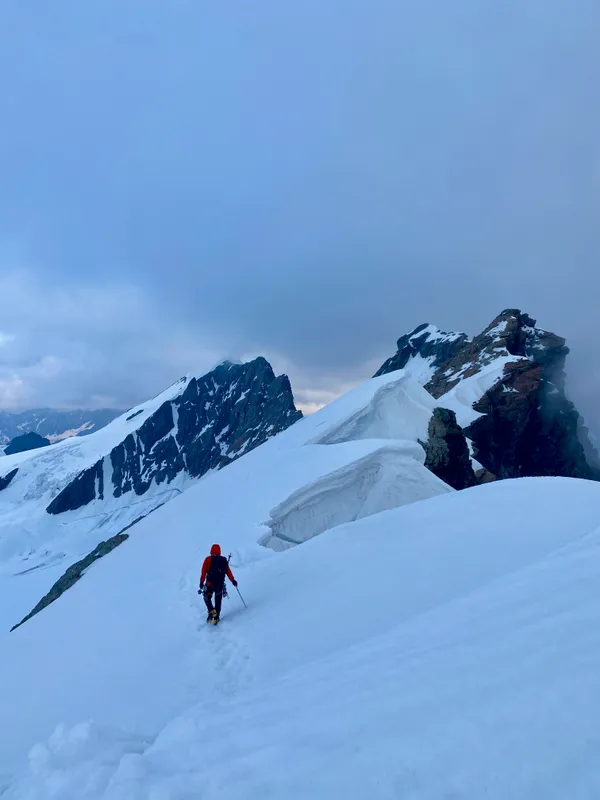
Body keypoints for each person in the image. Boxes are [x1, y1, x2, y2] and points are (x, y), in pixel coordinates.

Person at [198, 544, 237, 624]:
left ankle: (211, 611)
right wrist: (233, 580)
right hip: (219, 585)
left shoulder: (208, 559)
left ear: (211, 550)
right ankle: (216, 617)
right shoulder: (223, 561)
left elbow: (203, 572)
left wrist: (201, 582)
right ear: (219, 551)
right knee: (218, 600)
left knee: (207, 597)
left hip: (209, 583)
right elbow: (228, 572)